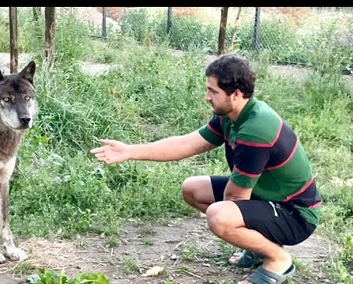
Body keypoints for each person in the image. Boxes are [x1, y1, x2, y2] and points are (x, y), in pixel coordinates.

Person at [90, 54, 322, 284]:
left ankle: (278, 259)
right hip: (269, 198)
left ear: (237, 94)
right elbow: (185, 144)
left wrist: (233, 221)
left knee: (220, 216)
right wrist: (130, 151)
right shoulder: (231, 115)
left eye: (213, 91)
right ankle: (260, 246)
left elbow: (236, 198)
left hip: (295, 214)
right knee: (193, 189)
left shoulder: (256, 130)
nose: (207, 97)